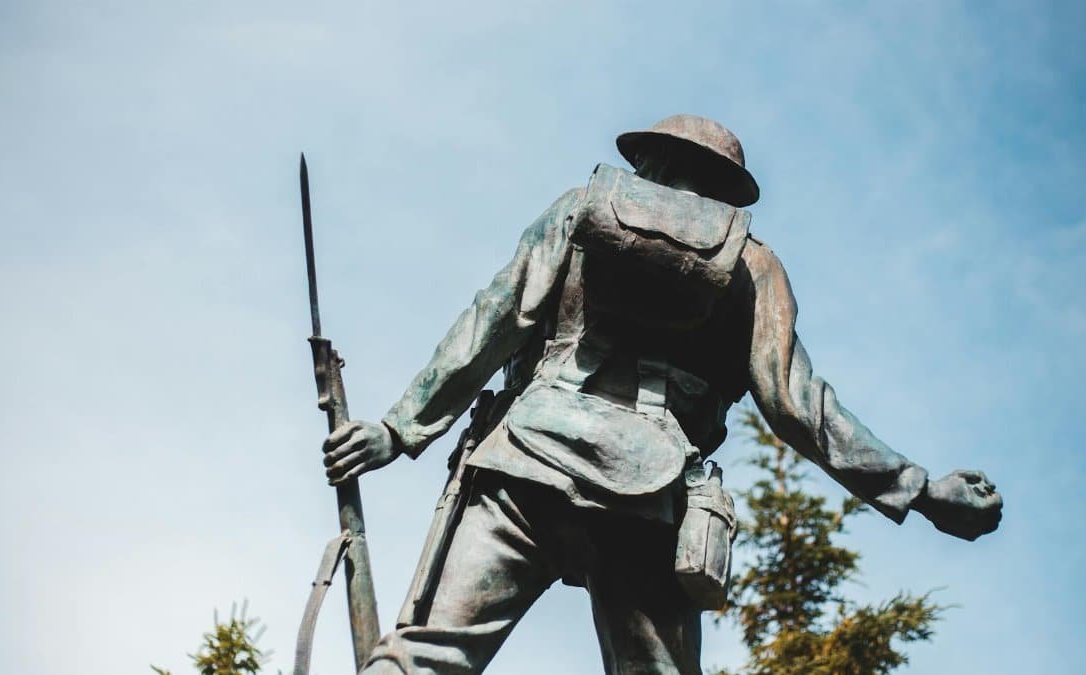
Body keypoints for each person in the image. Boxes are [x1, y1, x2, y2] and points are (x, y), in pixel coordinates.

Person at [322, 114, 1003, 675]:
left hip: (524, 463)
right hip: (645, 496)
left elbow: (492, 321)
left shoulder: (583, 210)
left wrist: (398, 429)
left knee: (426, 657)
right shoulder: (750, 264)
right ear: (728, 194)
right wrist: (915, 487)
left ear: (648, 161)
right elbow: (798, 404)